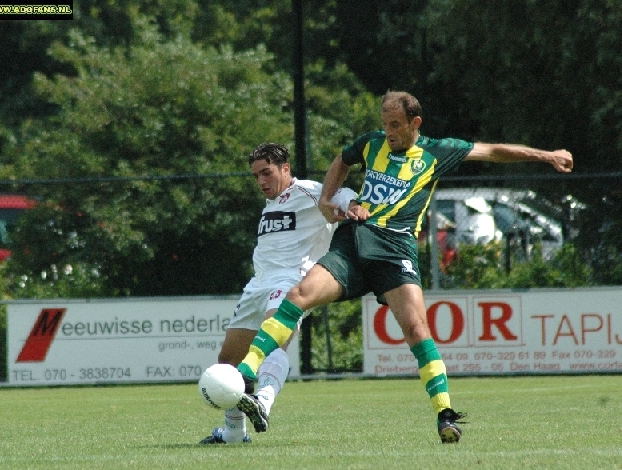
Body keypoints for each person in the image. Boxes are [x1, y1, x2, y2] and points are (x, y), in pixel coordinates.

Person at [234, 91, 574, 444]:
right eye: (384, 124)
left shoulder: (437, 151)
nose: (388, 132)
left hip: (395, 247)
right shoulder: (371, 144)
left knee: (416, 330)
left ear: (415, 123)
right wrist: (325, 200)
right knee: (298, 294)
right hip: (354, 240)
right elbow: (341, 160)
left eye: (395, 125)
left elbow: (491, 151)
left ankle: (445, 415)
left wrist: (546, 155)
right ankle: (245, 375)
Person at [200, 142, 355, 444]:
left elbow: (342, 196)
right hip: (258, 284)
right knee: (227, 360)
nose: (261, 181)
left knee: (274, 346)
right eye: (256, 175)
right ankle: (233, 433)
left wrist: (352, 206)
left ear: (285, 168)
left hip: (292, 281)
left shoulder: (310, 191)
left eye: (267, 173)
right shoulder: (271, 203)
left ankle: (264, 402)